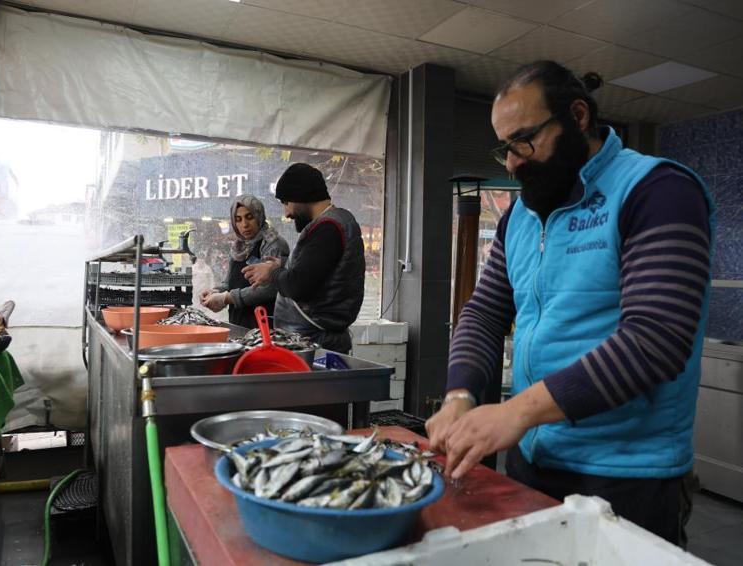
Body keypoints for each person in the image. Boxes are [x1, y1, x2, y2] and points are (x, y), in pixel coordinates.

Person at [425, 60, 713, 545]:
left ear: (577, 117)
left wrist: (517, 412)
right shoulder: (521, 214)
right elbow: (485, 311)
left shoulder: (657, 190)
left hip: (626, 474)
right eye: (505, 148)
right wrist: (461, 397)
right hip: (534, 459)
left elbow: (657, 339)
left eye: (524, 140)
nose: (514, 161)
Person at [242, 163, 365, 353]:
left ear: (301, 196)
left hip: (315, 343)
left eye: (286, 202)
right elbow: (319, 271)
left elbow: (299, 286)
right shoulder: (337, 222)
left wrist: (272, 273)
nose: (286, 212)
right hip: (312, 339)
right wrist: (283, 265)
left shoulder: (327, 229)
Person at [199, 195, 289, 328]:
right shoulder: (238, 246)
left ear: (259, 216)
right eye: (238, 220)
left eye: (249, 217)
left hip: (265, 324)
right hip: (238, 321)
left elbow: (270, 289)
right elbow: (229, 282)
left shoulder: (273, 243)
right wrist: (215, 291)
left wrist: (227, 298)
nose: (244, 225)